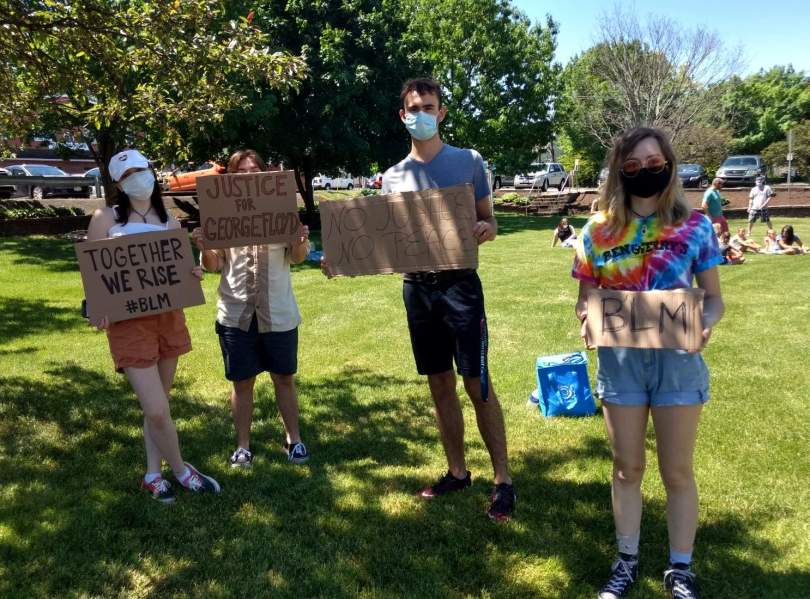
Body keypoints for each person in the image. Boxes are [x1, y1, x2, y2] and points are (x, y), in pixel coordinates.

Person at [324, 78, 515, 521]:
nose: (421, 114)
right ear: (402, 115)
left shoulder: (468, 161)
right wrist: (341, 259)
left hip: (461, 286)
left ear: (441, 113)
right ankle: (457, 472)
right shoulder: (392, 177)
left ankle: (503, 480)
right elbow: (379, 242)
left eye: (429, 107)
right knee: (439, 383)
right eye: (414, 108)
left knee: (477, 383)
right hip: (418, 289)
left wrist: (486, 230)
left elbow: (490, 221)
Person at [574, 128, 724, 599]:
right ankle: (626, 560)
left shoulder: (695, 226)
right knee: (627, 468)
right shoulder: (597, 232)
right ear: (620, 171)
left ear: (670, 165)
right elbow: (585, 299)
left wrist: (705, 325)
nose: (645, 172)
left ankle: (681, 568)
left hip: (678, 361)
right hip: (621, 362)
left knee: (677, 470)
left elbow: (714, 299)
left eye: (654, 163)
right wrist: (587, 320)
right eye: (634, 165)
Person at [86, 149, 221, 502]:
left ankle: (152, 474)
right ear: (118, 184)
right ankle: (182, 470)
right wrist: (97, 308)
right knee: (157, 410)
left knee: (159, 404)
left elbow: (180, 273)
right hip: (129, 324)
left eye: (140, 170)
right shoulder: (105, 219)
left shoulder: (170, 222)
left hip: (169, 319)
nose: (137, 179)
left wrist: (192, 275)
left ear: (151, 172)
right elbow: (94, 275)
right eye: (126, 175)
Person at [192, 150, 311, 468]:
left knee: (284, 378)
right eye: (240, 172)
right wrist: (204, 247)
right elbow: (214, 265)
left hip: (278, 313)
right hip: (236, 314)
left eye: (253, 171)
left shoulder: (281, 210)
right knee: (242, 383)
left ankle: (294, 440)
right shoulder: (221, 215)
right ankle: (243, 446)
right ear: (231, 178)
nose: (248, 176)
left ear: (264, 176)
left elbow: (297, 257)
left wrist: (299, 240)